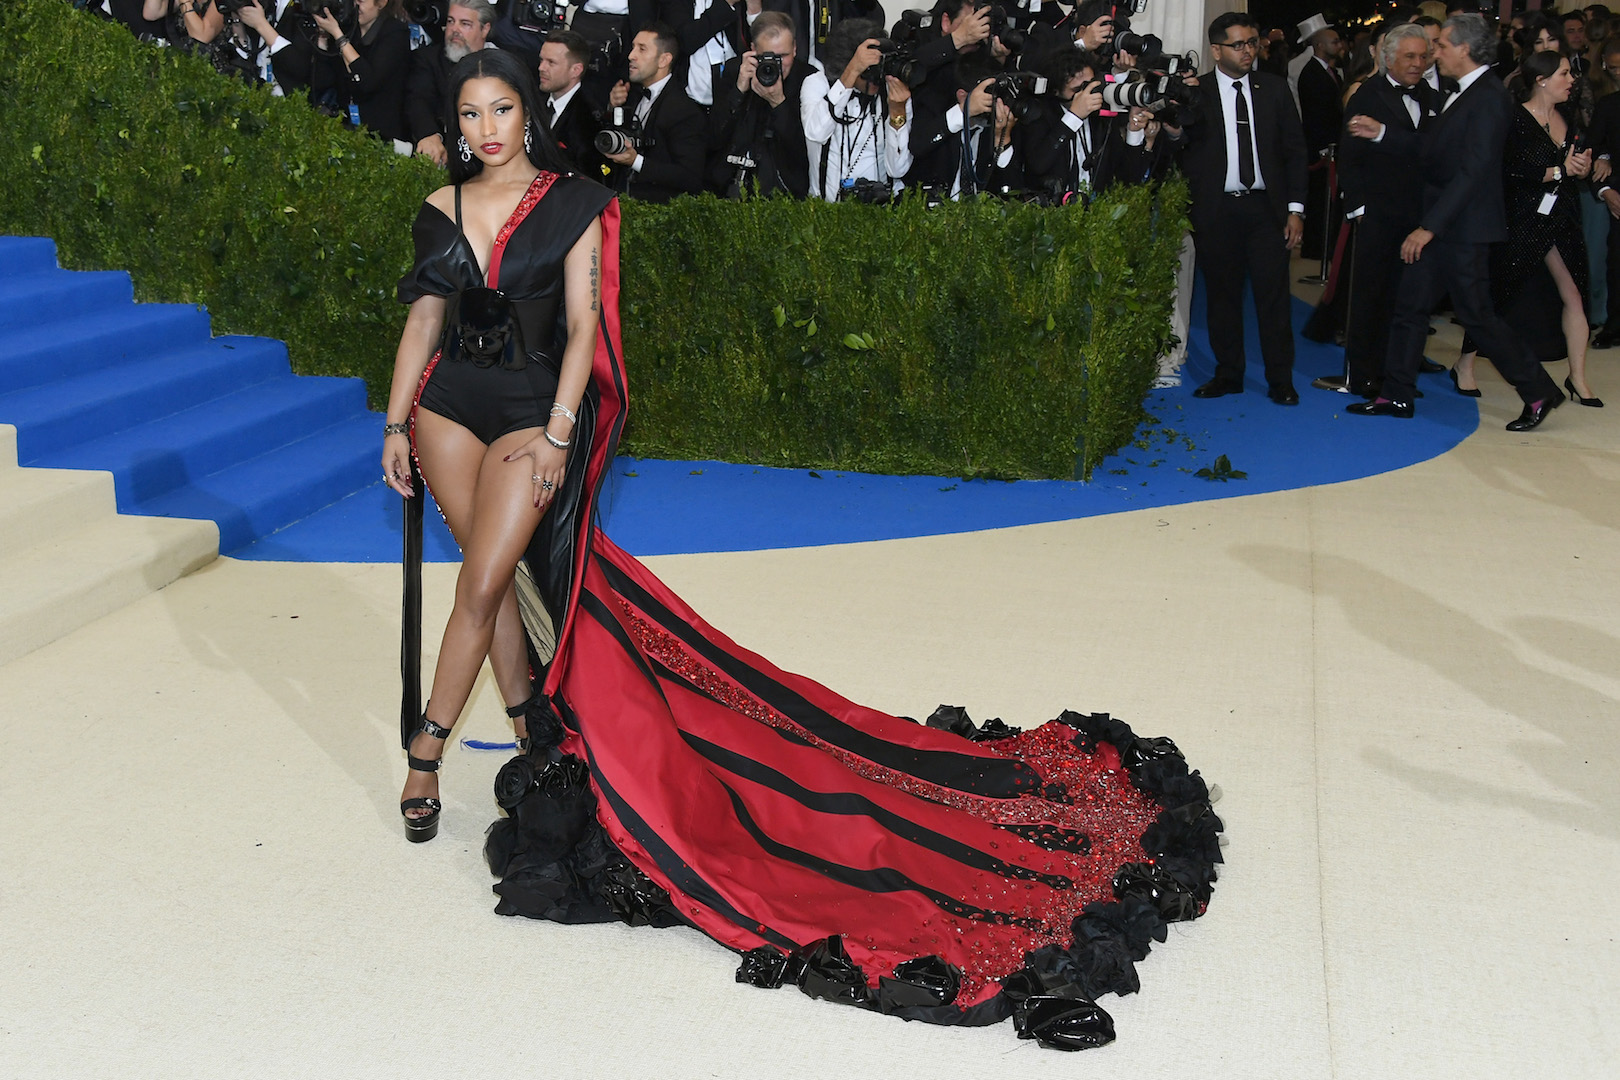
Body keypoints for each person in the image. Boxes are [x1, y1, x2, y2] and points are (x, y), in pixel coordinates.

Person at [385, 41, 1221, 1059]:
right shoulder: (437, 206)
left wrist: (562, 432)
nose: (484, 130)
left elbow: (580, 327)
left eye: (500, 108)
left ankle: (423, 752)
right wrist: (396, 422)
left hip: (527, 412)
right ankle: (528, 728)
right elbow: (425, 313)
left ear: (528, 113)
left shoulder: (572, 204)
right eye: (469, 113)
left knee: (480, 585)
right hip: (448, 413)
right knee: (502, 580)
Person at [1348, 14, 1567, 429]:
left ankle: (1538, 389)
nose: (1435, 54)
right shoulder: (1462, 91)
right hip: (1447, 225)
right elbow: (1432, 148)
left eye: (1442, 46)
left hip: (1463, 230)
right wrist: (1382, 134)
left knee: (1478, 316)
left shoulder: (1487, 97)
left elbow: (1475, 171)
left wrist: (1429, 227)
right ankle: (1396, 395)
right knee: (1410, 307)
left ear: (1465, 49)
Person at [1450, 50, 1602, 407]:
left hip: (1563, 214)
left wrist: (1579, 167)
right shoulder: (1514, 118)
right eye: (1565, 73)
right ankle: (1465, 364)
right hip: (1523, 218)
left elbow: (1572, 167)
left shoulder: (1567, 116)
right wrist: (1557, 171)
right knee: (1500, 293)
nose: (1571, 80)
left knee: (1575, 293)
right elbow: (1506, 169)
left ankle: (1578, 377)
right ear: (1542, 79)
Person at [1177, 11, 1307, 406]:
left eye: (1253, 42)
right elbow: (1180, 151)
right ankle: (1229, 373)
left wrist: (1296, 209)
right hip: (1216, 212)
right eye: (1239, 44)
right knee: (1222, 298)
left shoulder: (1275, 89)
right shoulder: (1194, 93)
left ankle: (1280, 379)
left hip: (1267, 211)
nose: (1249, 50)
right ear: (1216, 50)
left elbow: (1295, 152)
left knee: (1273, 299)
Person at [1340, 23, 1440, 396]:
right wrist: (1358, 208)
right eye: (1409, 56)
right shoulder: (1367, 95)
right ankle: (1365, 374)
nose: (1417, 63)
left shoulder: (1431, 96)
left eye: (1423, 56)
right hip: (1378, 213)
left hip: (1419, 215)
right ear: (1388, 58)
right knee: (1371, 296)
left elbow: (1434, 150)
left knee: (1409, 299)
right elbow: (1349, 157)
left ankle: (1398, 373)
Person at [801, 19, 914, 201]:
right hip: (826, 211)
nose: (876, 79)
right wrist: (851, 74)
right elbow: (816, 132)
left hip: (881, 210)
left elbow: (898, 169)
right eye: (868, 71)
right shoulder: (818, 83)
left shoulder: (894, 92)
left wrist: (897, 113)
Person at [707, 12, 811, 197]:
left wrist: (779, 103)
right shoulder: (734, 71)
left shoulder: (809, 80)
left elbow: (804, 153)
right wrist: (739, 90)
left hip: (784, 192)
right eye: (768, 56)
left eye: (783, 56)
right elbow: (714, 137)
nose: (776, 65)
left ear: (795, 48)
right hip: (730, 186)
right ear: (753, 49)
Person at [603, 24, 708, 202]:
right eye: (633, 47)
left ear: (664, 60)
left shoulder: (685, 111)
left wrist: (636, 161)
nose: (631, 56)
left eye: (642, 49)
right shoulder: (630, 95)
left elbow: (690, 176)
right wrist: (611, 108)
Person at [405, 0, 497, 167]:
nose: (455, 29)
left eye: (465, 24)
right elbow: (418, 99)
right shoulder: (428, 58)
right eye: (450, 21)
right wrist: (430, 135)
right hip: (446, 160)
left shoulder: (503, 64)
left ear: (485, 29)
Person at [310, 0, 414, 146]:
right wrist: (323, 37)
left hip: (383, 136)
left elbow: (367, 81)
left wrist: (339, 37)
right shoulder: (350, 29)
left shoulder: (395, 32)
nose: (355, 5)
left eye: (362, 1)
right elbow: (323, 80)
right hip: (349, 130)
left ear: (381, 3)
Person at [1296, 18, 1344, 259]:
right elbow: (1316, 116)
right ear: (1320, 45)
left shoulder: (1331, 71)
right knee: (1318, 200)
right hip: (1320, 148)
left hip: (1331, 146)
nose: (1340, 45)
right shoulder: (1311, 74)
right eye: (1334, 42)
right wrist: (1324, 148)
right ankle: (1315, 247)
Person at [539, 30, 613, 181]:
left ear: (576, 70)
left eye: (551, 62)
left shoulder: (589, 119)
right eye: (541, 60)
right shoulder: (533, 101)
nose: (541, 67)